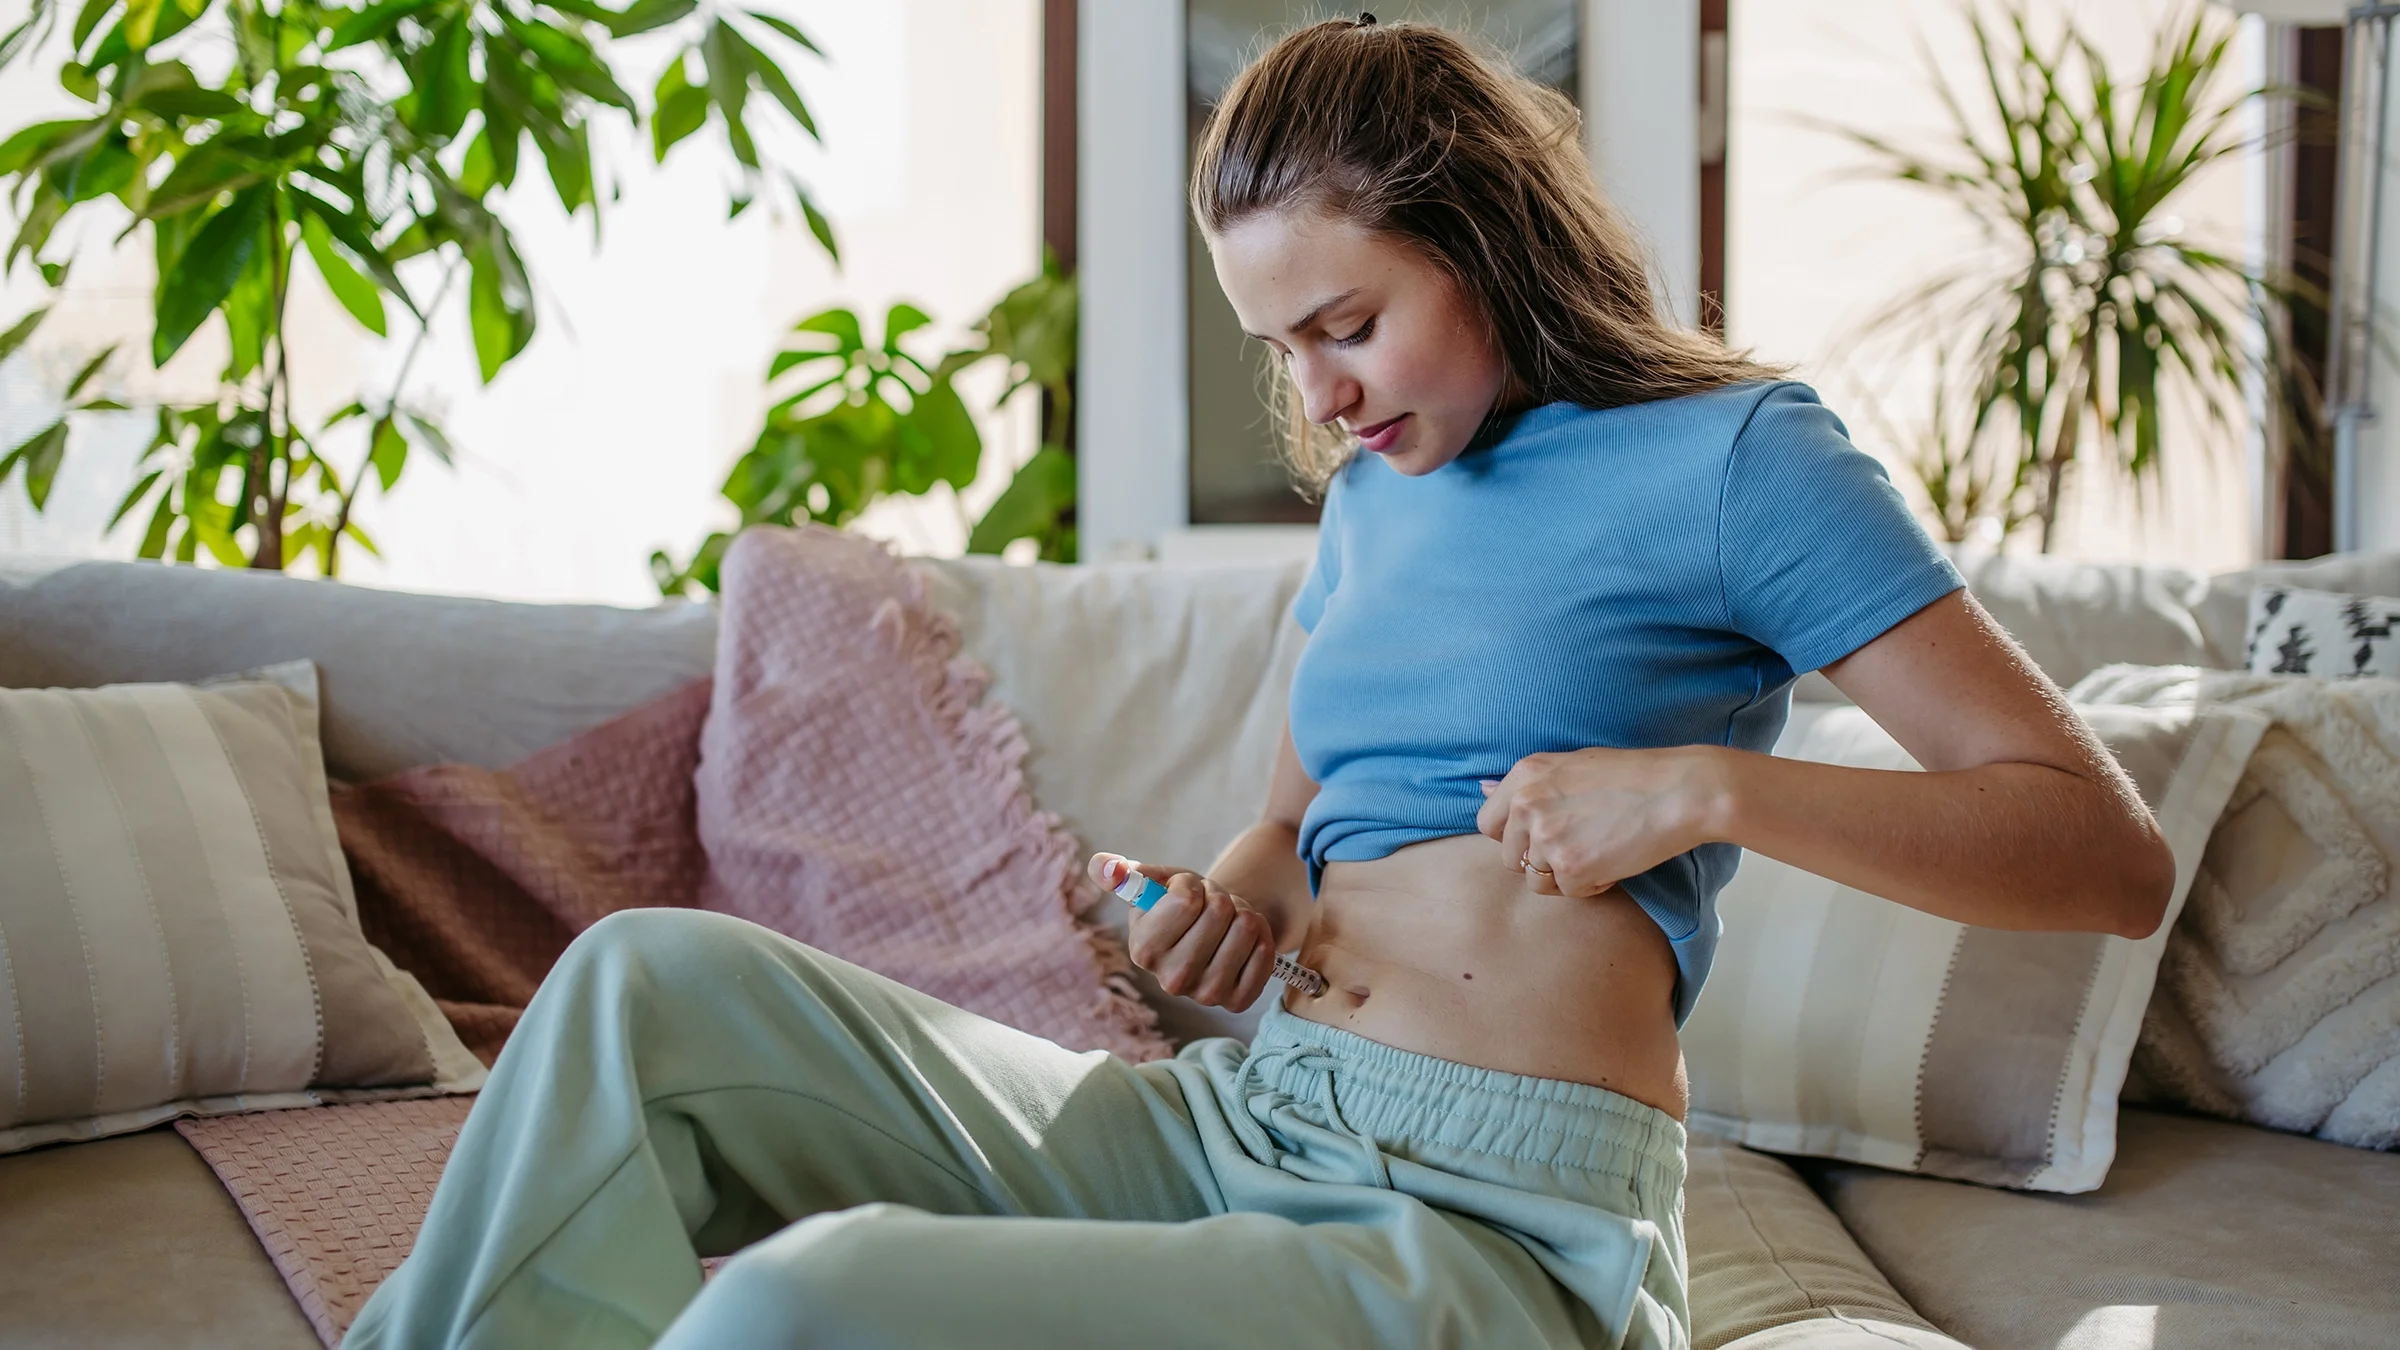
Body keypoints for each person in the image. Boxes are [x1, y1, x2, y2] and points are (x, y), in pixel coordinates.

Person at [346, 17, 2176, 1350]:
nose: (1321, 396)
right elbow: (1311, 813)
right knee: (643, 986)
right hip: (1250, 1114)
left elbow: (2099, 853)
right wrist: (1237, 884)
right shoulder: (1379, 493)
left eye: (1347, 324)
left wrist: (1701, 789)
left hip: (1490, 1225)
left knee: (804, 1312)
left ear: (1486, 240)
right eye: (1278, 346)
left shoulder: (1739, 458)